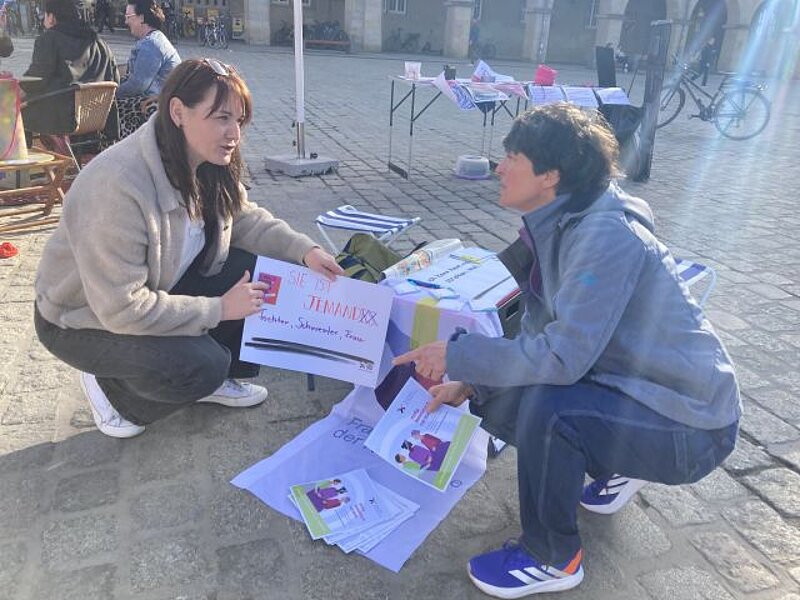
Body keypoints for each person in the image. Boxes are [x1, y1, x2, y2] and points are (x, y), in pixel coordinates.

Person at [394, 103, 740, 597]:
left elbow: (559, 358)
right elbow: (540, 336)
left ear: (551, 175)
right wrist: (471, 381)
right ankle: (616, 465)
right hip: (637, 389)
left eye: (513, 155)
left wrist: (457, 354)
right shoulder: (557, 223)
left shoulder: (604, 236)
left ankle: (553, 557)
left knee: (548, 408)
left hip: (692, 424)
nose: (499, 166)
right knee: (506, 396)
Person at [33, 58, 344, 439]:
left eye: (240, 120)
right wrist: (219, 309)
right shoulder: (117, 185)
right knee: (202, 365)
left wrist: (305, 251)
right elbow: (122, 308)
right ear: (178, 111)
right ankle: (114, 393)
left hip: (155, 287)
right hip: (81, 318)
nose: (234, 134)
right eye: (221, 118)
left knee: (257, 271)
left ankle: (217, 377)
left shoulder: (207, 160)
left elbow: (244, 218)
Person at [21, 0, 118, 141]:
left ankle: (23, 158)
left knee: (11, 108)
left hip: (60, 119)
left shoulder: (49, 39)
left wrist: (12, 93)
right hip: (94, 119)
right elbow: (115, 79)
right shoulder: (99, 43)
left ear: (52, 17)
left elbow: (36, 80)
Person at [116, 0, 180, 139]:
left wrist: (109, 94)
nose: (126, 22)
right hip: (160, 98)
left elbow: (137, 85)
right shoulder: (155, 38)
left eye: (128, 17)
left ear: (142, 18)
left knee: (110, 109)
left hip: (157, 103)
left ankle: (117, 151)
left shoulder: (151, 44)